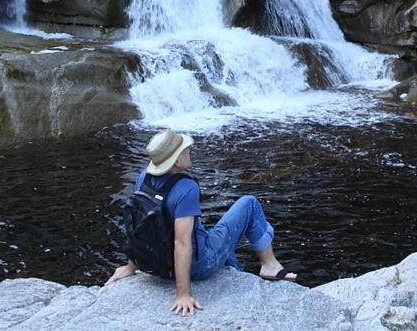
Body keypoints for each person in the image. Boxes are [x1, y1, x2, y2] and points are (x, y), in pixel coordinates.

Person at [106, 129, 297, 315]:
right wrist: (183, 294)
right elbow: (181, 242)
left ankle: (235, 270)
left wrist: (132, 266)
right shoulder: (186, 188)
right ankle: (270, 266)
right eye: (186, 149)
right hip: (199, 266)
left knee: (216, 239)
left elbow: (140, 225)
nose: (190, 151)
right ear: (178, 161)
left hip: (157, 265)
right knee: (249, 204)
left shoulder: (143, 178)